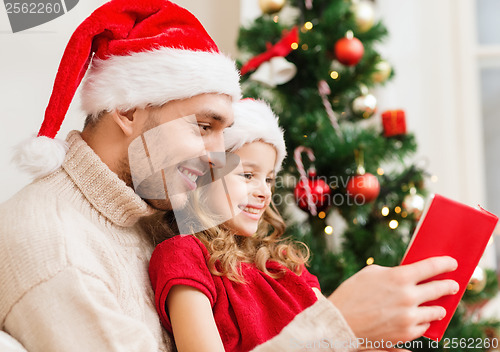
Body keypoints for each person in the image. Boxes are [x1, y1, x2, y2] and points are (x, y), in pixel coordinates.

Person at [0, 0, 458, 351]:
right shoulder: (58, 250)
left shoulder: (151, 210)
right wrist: (337, 326)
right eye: (204, 126)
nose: (221, 158)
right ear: (126, 110)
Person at [148, 99, 460, 352]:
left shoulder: (284, 267)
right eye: (247, 175)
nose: (264, 191)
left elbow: (340, 335)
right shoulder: (183, 255)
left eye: (269, 179)